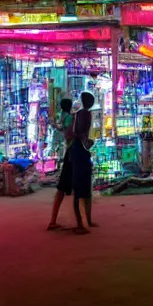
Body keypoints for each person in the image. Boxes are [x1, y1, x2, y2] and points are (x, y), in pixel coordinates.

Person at [69, 92, 97, 235]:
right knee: (81, 190)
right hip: (80, 153)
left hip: (79, 152)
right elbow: (80, 132)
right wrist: (87, 141)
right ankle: (83, 221)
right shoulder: (83, 114)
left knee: (83, 190)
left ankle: (85, 220)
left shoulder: (81, 114)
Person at [47, 98, 75, 231]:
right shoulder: (70, 118)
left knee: (63, 188)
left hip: (67, 149)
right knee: (69, 188)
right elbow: (70, 134)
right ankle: (79, 222)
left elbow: (60, 128)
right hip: (71, 152)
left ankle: (55, 220)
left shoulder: (62, 116)